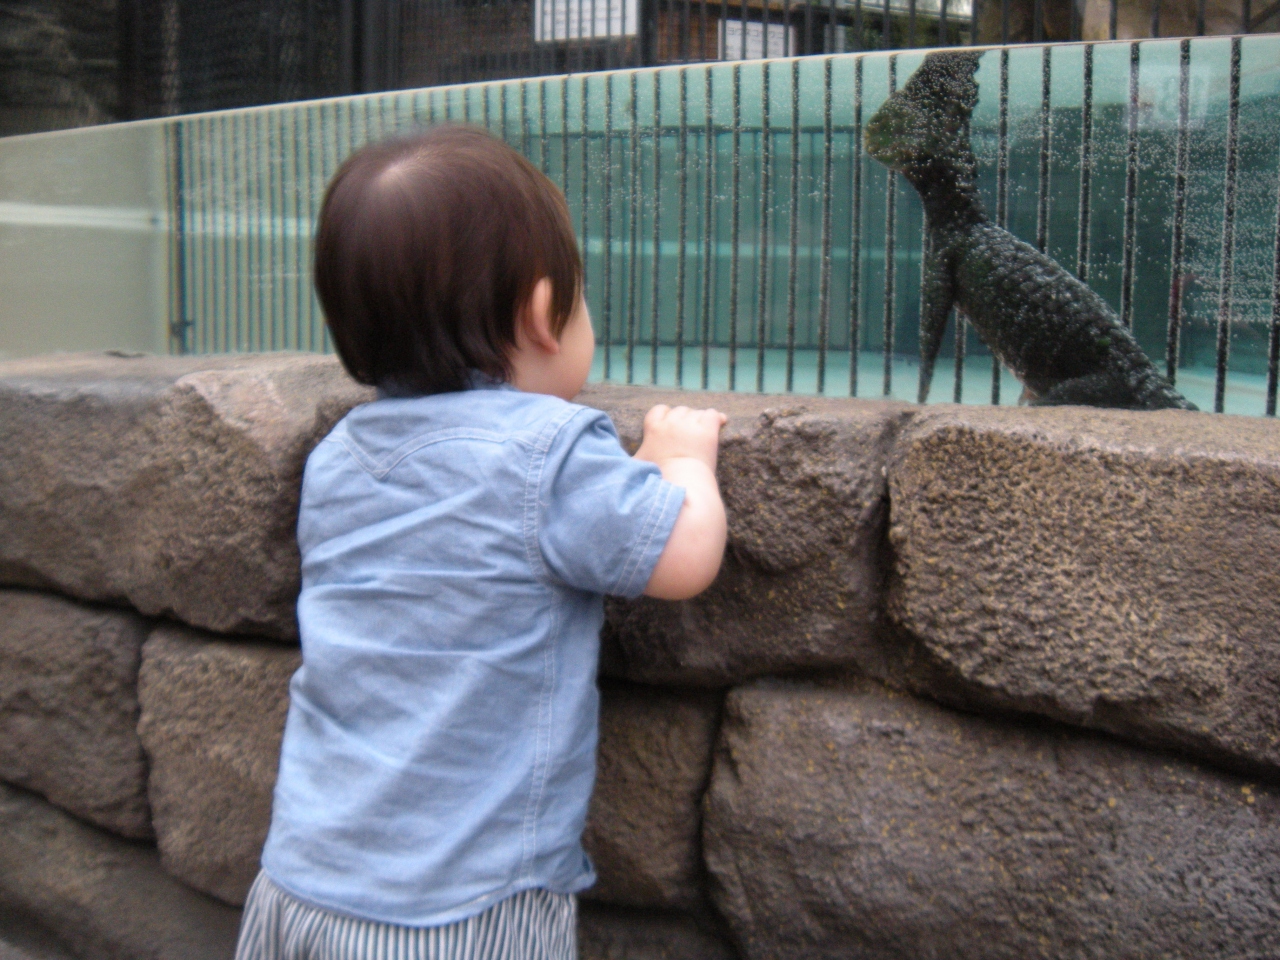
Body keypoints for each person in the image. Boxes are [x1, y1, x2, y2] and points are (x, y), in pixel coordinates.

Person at [233, 125, 728, 960]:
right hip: (462, 908)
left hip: (300, 885)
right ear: (543, 313)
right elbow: (679, 556)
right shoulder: (549, 451)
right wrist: (680, 460)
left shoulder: (339, 459)